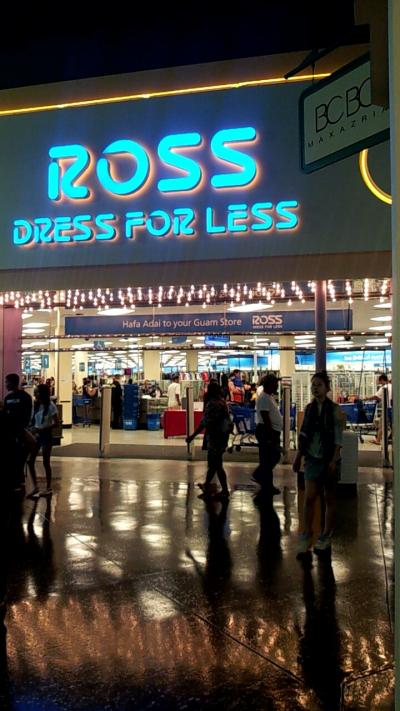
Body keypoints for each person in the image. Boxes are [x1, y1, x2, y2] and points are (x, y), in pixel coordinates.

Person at [293, 371, 343, 556]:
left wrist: (334, 460)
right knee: (309, 497)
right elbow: (304, 434)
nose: (315, 388)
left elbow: (338, 438)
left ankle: (326, 535)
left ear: (327, 388)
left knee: (329, 498)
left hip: (329, 459)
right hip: (312, 459)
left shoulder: (335, 410)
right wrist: (298, 456)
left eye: (319, 385)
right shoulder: (309, 409)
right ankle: (306, 534)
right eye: (313, 385)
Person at [186, 380, 232, 499]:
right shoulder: (222, 402)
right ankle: (207, 486)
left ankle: (224, 490)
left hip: (215, 437)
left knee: (216, 464)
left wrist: (192, 436)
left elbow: (204, 423)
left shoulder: (212, 404)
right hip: (222, 437)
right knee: (214, 464)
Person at [27, 384, 59, 497]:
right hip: (36, 436)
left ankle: (48, 487)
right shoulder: (36, 405)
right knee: (30, 461)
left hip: (46, 436)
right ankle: (35, 487)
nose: (35, 394)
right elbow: (33, 420)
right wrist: (32, 428)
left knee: (46, 462)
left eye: (37, 392)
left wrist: (43, 428)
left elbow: (56, 423)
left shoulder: (51, 406)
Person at [4, 373, 34, 490]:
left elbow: (27, 415)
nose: (6, 384)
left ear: (13, 383)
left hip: (21, 432)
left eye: (7, 382)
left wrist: (21, 429)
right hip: (10, 433)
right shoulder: (7, 398)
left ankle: (19, 481)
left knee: (19, 458)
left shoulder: (25, 397)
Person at [254, 374, 282, 495]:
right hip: (267, 431)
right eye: (275, 384)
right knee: (270, 458)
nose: (277, 386)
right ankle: (264, 481)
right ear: (269, 385)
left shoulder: (268, 397)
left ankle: (263, 479)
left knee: (271, 458)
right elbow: (265, 417)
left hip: (270, 431)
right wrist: (270, 435)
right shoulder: (264, 397)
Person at [370, 373, 392, 445]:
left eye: (379, 381)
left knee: (382, 425)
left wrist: (365, 398)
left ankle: (378, 440)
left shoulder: (384, 387)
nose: (379, 382)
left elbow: (376, 397)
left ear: (382, 380)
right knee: (392, 425)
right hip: (393, 408)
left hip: (387, 409)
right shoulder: (392, 386)